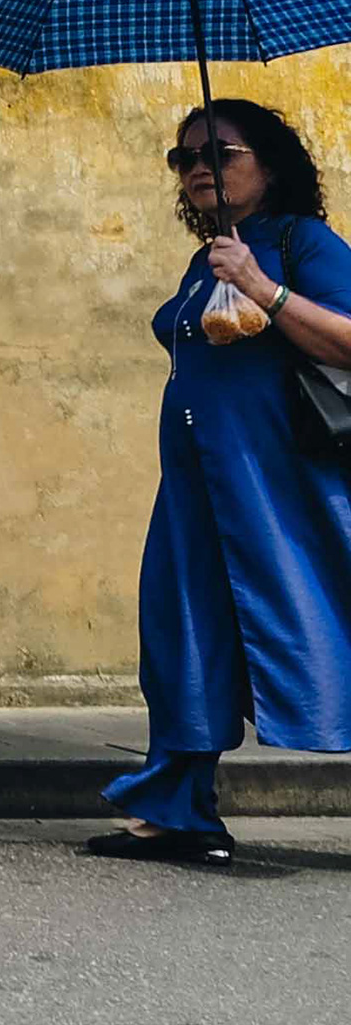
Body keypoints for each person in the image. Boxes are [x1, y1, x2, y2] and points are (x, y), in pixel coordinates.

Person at [92, 99, 351, 865]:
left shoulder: (301, 242)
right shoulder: (210, 255)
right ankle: (178, 808)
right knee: (182, 633)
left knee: (323, 619)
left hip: (285, 489)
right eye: (184, 158)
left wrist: (264, 289)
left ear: (269, 167)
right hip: (200, 490)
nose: (199, 167)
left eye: (220, 153)